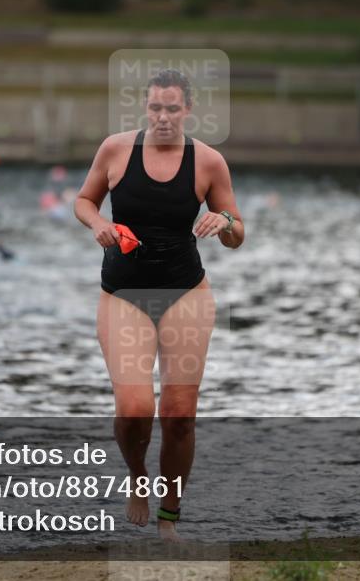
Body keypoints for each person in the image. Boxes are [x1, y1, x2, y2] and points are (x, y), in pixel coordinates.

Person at [73, 68, 245, 541]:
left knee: (179, 413)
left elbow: (237, 233)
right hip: (122, 293)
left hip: (186, 292)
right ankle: (137, 478)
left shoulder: (208, 162)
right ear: (144, 107)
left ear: (188, 110)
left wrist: (222, 219)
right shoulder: (115, 150)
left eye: (172, 108)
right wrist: (97, 225)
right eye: (155, 108)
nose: (163, 117)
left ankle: (170, 514)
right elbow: (84, 201)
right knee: (133, 410)